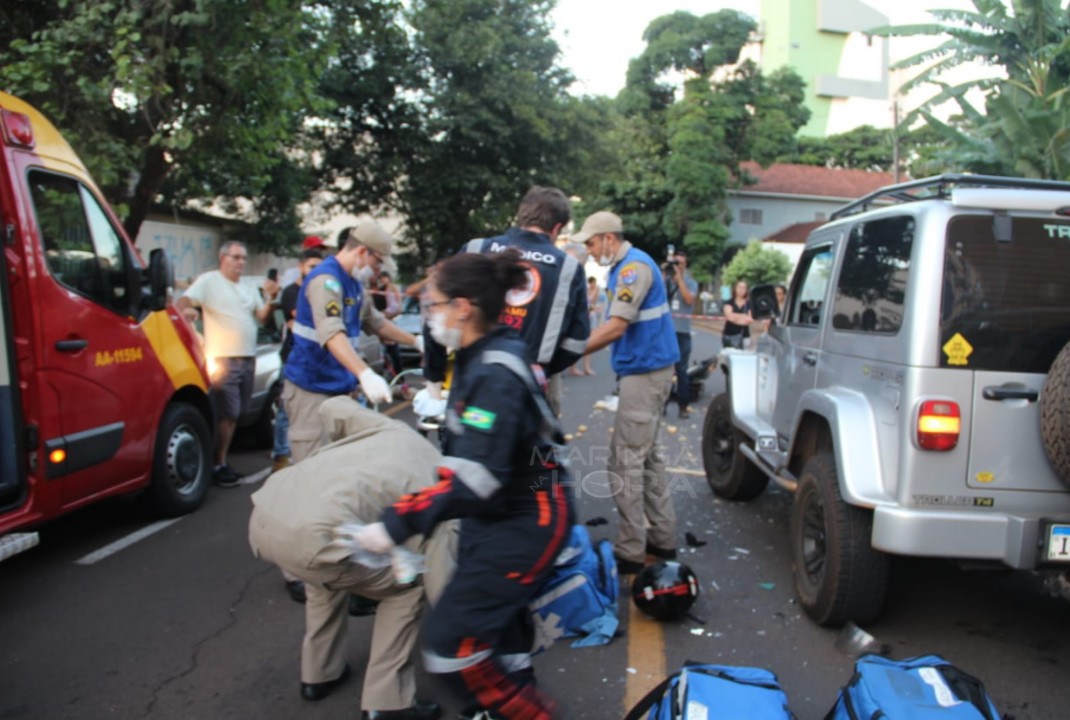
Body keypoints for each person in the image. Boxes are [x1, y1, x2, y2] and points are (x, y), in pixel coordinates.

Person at [355, 250, 574, 720]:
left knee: (450, 646)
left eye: (433, 305)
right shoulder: (486, 355)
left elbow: (476, 477)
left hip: (524, 520)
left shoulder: (495, 370)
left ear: (463, 306)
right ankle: (507, 704)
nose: (428, 316)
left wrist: (395, 523)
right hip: (506, 514)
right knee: (502, 634)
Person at [249, 396, 454, 720]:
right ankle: (387, 703)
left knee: (324, 577)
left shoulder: (390, 428)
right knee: (408, 586)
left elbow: (335, 408)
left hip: (267, 512)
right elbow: (441, 574)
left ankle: (319, 674)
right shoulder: (442, 489)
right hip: (316, 537)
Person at [424, 186, 589, 417]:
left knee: (471, 442)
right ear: (556, 228)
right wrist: (541, 369)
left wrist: (434, 378)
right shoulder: (568, 269)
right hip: (528, 394)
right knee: (524, 451)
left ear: (520, 215)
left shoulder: (476, 249)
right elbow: (576, 342)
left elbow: (437, 314)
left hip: (471, 384)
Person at [575, 211, 680, 575]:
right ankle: (663, 538)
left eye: (590, 243)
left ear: (608, 238)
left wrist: (569, 352)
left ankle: (632, 549)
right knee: (648, 460)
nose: (589, 251)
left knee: (624, 463)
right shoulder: (628, 267)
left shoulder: (633, 269)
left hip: (645, 373)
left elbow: (616, 326)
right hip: (650, 371)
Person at [283, 222, 423, 463]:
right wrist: (365, 373)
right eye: (378, 263)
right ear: (361, 252)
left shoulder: (354, 284)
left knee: (344, 465)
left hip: (339, 389)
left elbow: (376, 322)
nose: (379, 271)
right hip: (312, 390)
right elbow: (331, 333)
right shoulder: (326, 281)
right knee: (314, 468)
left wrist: (417, 341)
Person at [177, 240, 279, 488]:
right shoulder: (209, 281)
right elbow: (183, 302)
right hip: (223, 358)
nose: (241, 262)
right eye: (236, 257)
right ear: (223, 258)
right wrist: (188, 313)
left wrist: (271, 298)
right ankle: (217, 464)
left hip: (247, 358)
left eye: (243, 258)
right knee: (229, 413)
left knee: (239, 413)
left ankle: (219, 460)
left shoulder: (246, 286)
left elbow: (262, 318)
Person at [272, 248, 324, 472]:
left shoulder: (319, 290)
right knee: (286, 409)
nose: (316, 272)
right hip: (292, 358)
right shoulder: (292, 292)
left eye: (320, 267)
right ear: (301, 266)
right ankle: (281, 456)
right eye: (312, 267)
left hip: (314, 358)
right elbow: (303, 315)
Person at [665, 249, 697, 419]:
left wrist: (680, 279)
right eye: (675, 263)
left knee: (681, 371)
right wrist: (666, 273)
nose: (677, 266)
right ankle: (661, 404)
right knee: (664, 370)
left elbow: (689, 299)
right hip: (667, 331)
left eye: (680, 263)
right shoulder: (667, 281)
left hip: (683, 332)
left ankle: (683, 406)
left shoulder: (691, 282)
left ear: (685, 264)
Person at [572, 277, 602, 376]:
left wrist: (596, 291)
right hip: (582, 318)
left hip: (590, 316)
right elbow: (587, 301)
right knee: (576, 343)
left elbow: (592, 302)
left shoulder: (592, 290)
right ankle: (573, 367)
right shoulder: (581, 286)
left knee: (590, 342)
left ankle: (586, 367)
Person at [722, 279, 753, 350]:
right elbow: (729, 317)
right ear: (735, 288)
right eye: (739, 287)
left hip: (744, 335)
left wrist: (734, 316)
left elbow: (749, 319)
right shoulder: (729, 302)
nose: (741, 290)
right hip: (729, 335)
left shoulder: (749, 304)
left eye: (744, 288)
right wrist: (743, 316)